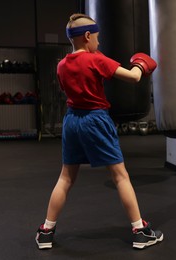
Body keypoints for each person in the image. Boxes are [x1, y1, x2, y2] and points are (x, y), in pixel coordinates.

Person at [35, 13, 163, 250]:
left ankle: (46, 231)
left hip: (72, 121)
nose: (99, 42)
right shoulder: (97, 60)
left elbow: (71, 86)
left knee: (65, 178)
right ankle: (140, 231)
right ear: (87, 36)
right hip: (95, 120)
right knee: (120, 176)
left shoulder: (61, 65)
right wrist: (140, 63)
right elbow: (134, 78)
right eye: (97, 37)